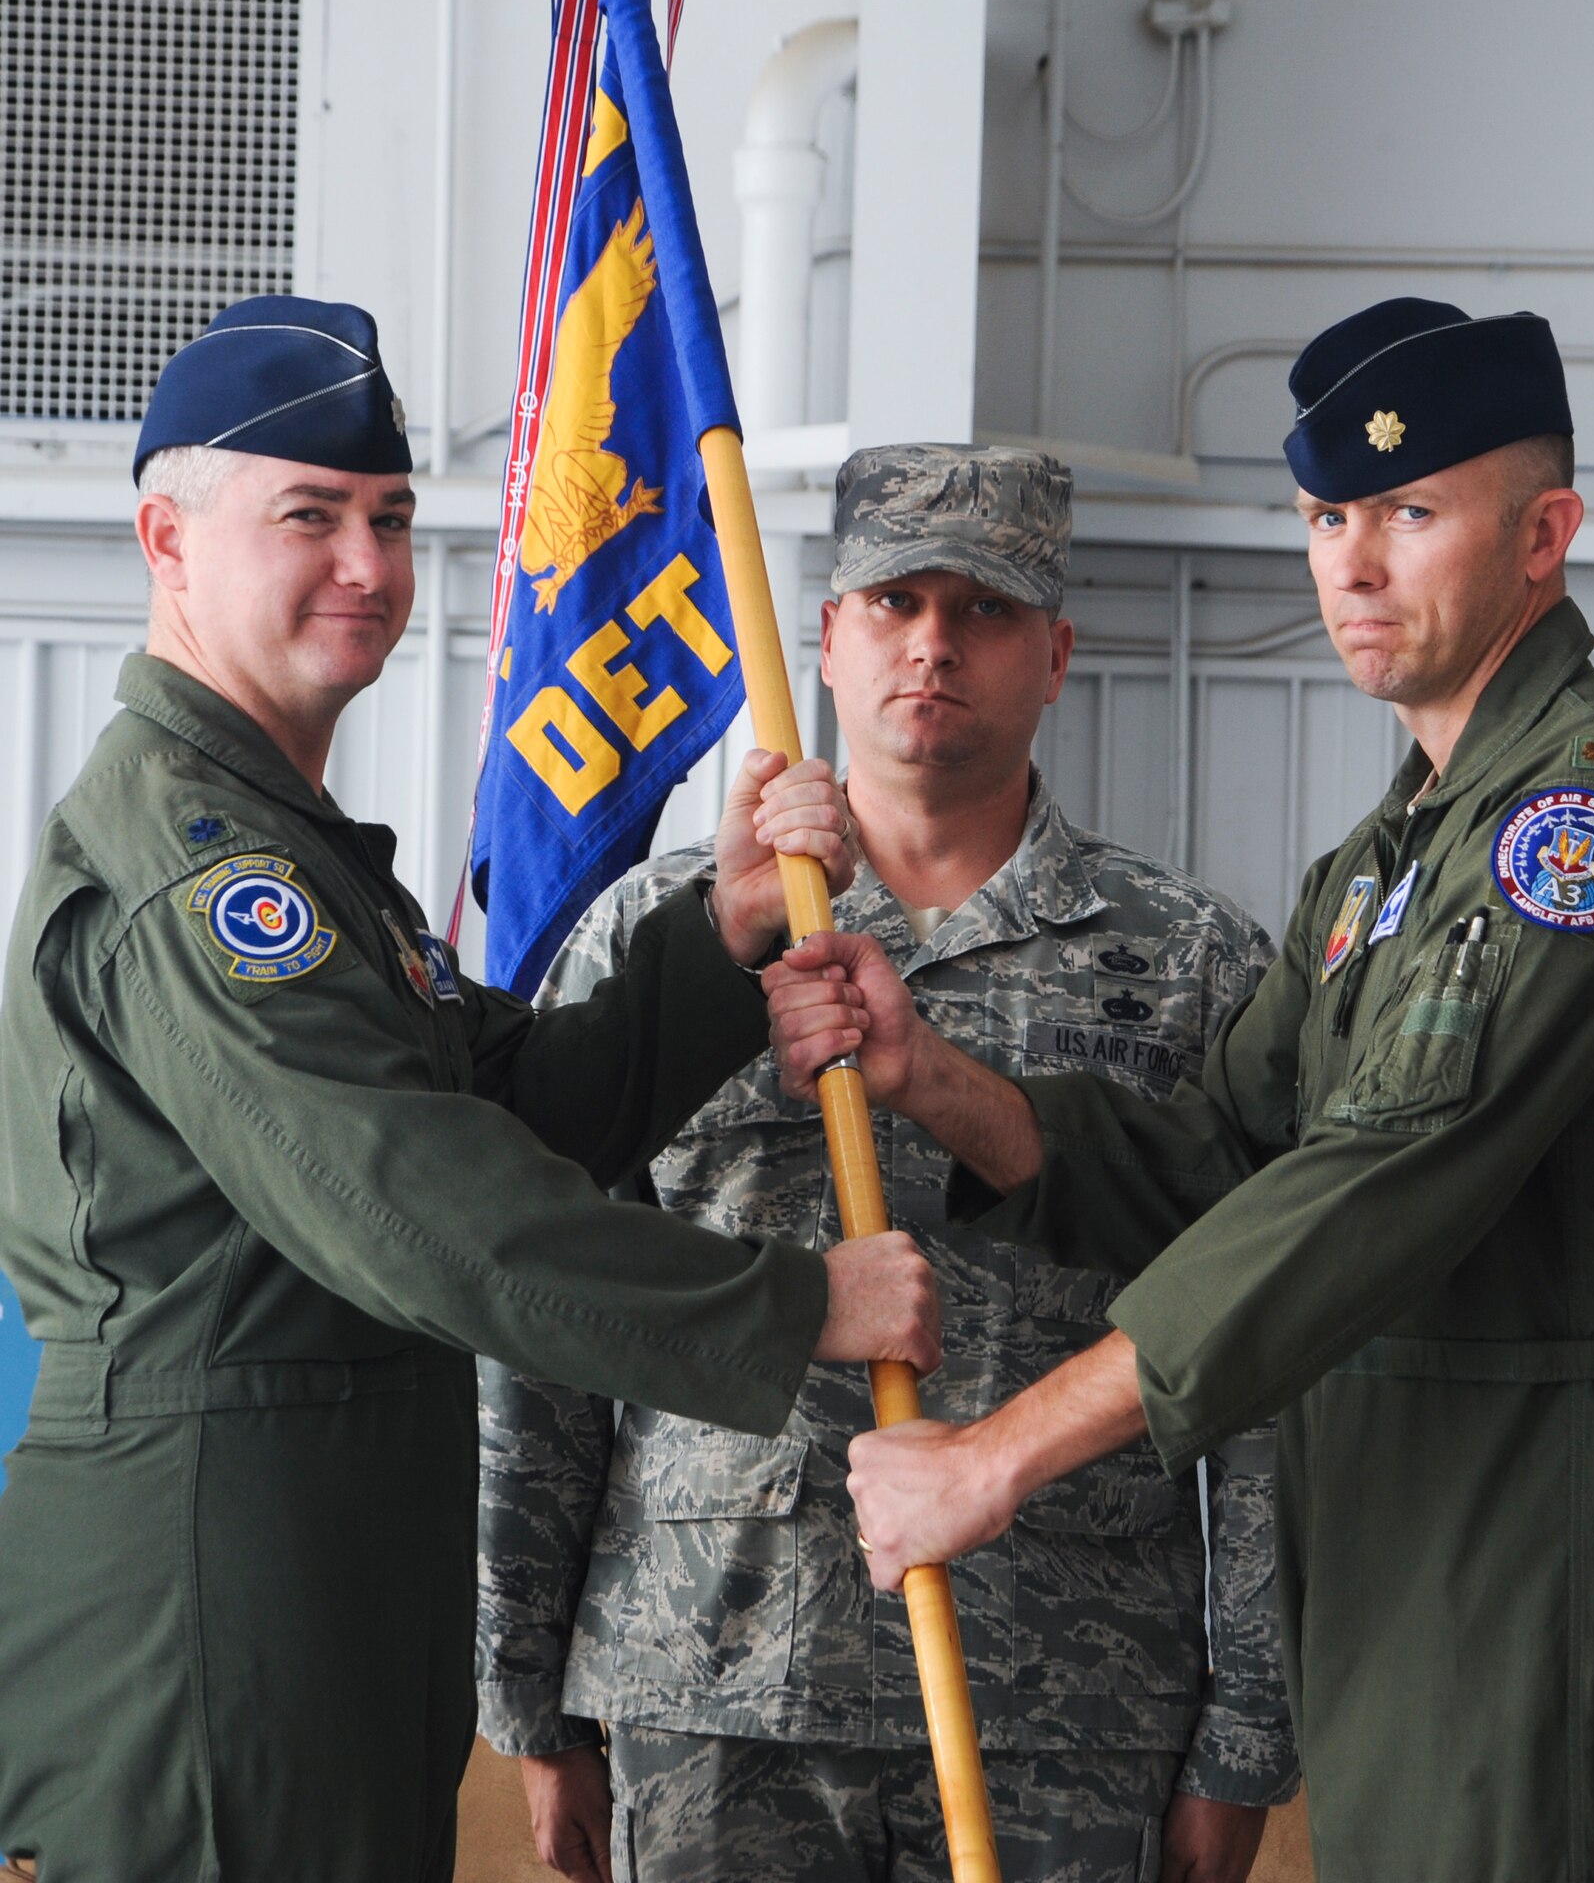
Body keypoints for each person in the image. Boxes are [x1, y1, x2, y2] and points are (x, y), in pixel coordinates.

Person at [771, 305, 1594, 1883]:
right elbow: (1219, 1157)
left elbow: (1373, 1185)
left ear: (1546, 535)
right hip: (1408, 1564)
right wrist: (933, 1081)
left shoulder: (1582, 825)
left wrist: (998, 1457)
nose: (1353, 565)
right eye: (1327, 517)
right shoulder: (1385, 859)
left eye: (1408, 512)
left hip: (1550, 1567)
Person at [0, 297, 939, 1883]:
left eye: (388, 518)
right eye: (308, 516)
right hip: (212, 1558)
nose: (368, 567)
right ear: (169, 538)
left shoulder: (289, 842)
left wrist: (718, 940)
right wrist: (789, 1307)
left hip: (334, 1537)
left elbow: (498, 1108)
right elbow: (415, 1204)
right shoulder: (199, 865)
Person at [477, 443, 1298, 1883]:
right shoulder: (668, 938)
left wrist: (1242, 1736)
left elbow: (1255, 1353)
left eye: (982, 610)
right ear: (828, 638)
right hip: (714, 1688)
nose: (932, 643)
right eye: (893, 602)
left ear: (1055, 655)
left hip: (1064, 1699)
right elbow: (546, 1325)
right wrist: (530, 1697)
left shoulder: (1190, 966)